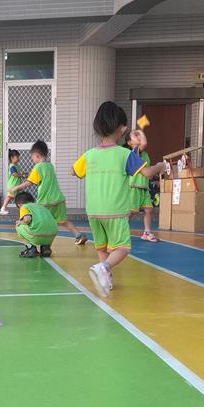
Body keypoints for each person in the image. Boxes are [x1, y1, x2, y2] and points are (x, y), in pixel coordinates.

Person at [72, 101, 165, 298]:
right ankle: (104, 268)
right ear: (122, 129)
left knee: (102, 247)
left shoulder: (89, 155)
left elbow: (74, 171)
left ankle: (105, 280)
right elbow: (147, 172)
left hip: (93, 212)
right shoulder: (125, 155)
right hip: (115, 210)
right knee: (123, 248)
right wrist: (160, 166)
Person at [11, 140, 87, 244]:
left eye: (32, 157)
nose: (32, 159)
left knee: (41, 221)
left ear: (37, 155)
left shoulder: (38, 167)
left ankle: (43, 243)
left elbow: (29, 182)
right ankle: (78, 235)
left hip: (45, 201)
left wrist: (16, 187)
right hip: (59, 199)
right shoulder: (50, 166)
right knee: (64, 221)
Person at [125, 129, 159, 242]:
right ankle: (120, 231)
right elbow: (144, 143)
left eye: (139, 135)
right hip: (134, 187)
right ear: (130, 143)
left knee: (149, 210)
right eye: (135, 136)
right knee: (131, 213)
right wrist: (140, 131)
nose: (139, 137)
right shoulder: (134, 152)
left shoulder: (145, 155)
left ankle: (147, 232)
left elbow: (148, 172)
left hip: (144, 188)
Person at [14, 191, 57, 257]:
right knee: (44, 227)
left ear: (19, 204)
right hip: (51, 235)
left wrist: (20, 222)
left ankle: (31, 248)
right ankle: (45, 248)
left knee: (18, 225)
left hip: (37, 235)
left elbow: (27, 220)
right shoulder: (42, 207)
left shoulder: (24, 207)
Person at [0, 149, 23, 214]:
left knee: (19, 197)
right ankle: (3, 208)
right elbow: (14, 174)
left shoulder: (16, 166)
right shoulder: (12, 166)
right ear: (12, 158)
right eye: (17, 157)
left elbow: (17, 173)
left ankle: (22, 209)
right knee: (9, 197)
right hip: (13, 185)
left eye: (18, 157)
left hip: (17, 185)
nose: (18, 158)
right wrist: (22, 175)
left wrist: (23, 174)